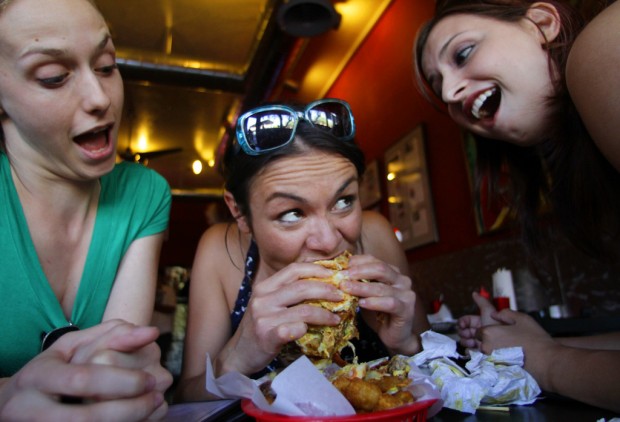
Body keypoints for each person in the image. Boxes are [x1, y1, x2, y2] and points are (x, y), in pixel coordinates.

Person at [414, 0, 620, 412]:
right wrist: (530, 344)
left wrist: (546, 360)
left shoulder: (601, 49)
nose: (452, 94)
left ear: (542, 23)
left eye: (464, 53)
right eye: (440, 88)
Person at [174, 99, 430, 402]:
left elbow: (439, 376)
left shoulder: (375, 235)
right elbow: (186, 398)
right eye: (292, 213)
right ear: (239, 212)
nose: (327, 241)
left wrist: (406, 346)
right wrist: (234, 360)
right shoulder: (220, 249)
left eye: (343, 201)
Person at [0, 0, 172, 419]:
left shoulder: (143, 193)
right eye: (53, 77)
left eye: (107, 65)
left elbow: (113, 371)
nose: (100, 99)